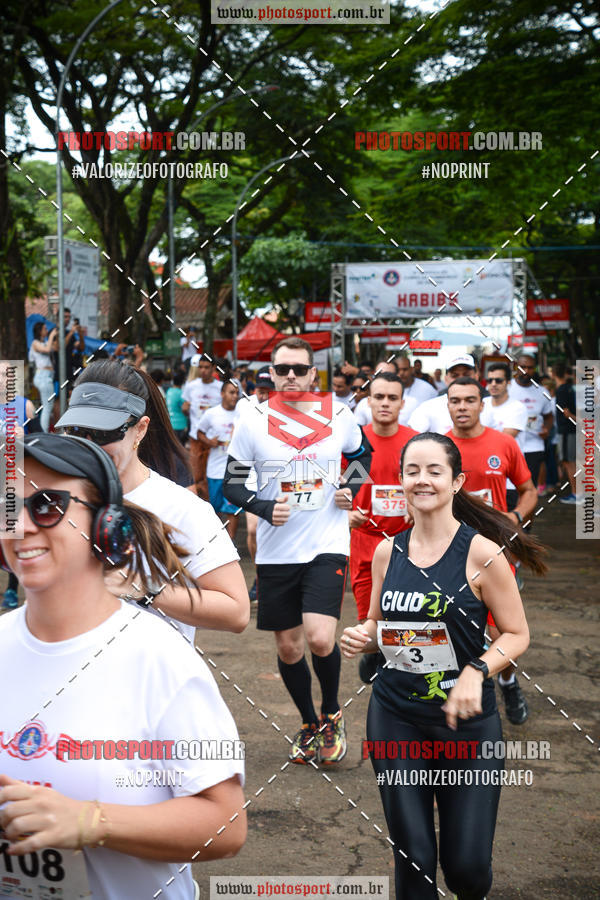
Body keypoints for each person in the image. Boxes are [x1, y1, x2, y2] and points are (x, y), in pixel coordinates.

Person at [0, 433, 246, 899]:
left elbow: (226, 825)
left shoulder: (161, 658)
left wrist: (92, 822)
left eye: (48, 506)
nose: (22, 526)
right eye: (9, 507)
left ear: (104, 525)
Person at [341, 431, 546, 900]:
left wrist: (476, 670)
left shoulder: (482, 554)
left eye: (435, 471)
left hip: (467, 726)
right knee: (414, 861)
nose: (422, 480)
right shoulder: (387, 552)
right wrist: (363, 637)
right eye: (412, 471)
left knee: (467, 870)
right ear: (401, 480)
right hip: (396, 717)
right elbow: (377, 623)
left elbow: (517, 634)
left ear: (457, 482)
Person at [223, 337, 373, 766]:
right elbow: (232, 484)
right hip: (276, 553)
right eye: (283, 369)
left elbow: (362, 453)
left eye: (300, 369)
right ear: (271, 373)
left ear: (312, 374)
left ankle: (332, 713)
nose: (291, 376)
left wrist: (350, 488)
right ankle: (310, 723)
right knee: (289, 649)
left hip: (327, 544)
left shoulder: (338, 414)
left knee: (321, 637)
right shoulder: (253, 419)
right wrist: (264, 507)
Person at [55, 360, 249, 642]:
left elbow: (237, 612)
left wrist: (143, 588)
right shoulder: (52, 498)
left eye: (104, 432)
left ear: (141, 429)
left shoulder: (183, 508)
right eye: (76, 431)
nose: (89, 445)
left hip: (153, 668)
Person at [446, 377, 538, 725]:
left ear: (482, 405)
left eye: (470, 400)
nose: (463, 407)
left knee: (503, 633)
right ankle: (451, 692)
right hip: (450, 555)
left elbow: (529, 491)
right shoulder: (439, 447)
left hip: (495, 554)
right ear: (448, 405)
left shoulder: (504, 443)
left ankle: (508, 682)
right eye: (456, 400)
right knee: (449, 629)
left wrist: (514, 517)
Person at [347, 374, 416, 678]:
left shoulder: (416, 443)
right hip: (365, 540)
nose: (385, 403)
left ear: (402, 403)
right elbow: (336, 487)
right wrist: (346, 513)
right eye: (379, 397)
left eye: (392, 398)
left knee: (406, 611)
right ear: (368, 401)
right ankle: (376, 654)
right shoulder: (353, 442)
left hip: (408, 541)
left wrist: (418, 507)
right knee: (369, 615)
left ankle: (398, 670)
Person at [0, 363, 40, 610]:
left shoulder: (25, 406)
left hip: (14, 478)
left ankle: (12, 590)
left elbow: (42, 441)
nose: (2, 379)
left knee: (13, 534)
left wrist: (27, 439)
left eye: (6, 374)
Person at [197, 382, 242, 540]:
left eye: (237, 393)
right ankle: (217, 543)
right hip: (215, 470)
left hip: (236, 469)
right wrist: (210, 442)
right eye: (231, 392)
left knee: (232, 510)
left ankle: (231, 545)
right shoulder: (211, 414)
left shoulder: (242, 414)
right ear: (222, 394)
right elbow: (199, 432)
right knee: (215, 510)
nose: (235, 396)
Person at [508, 355, 554, 486]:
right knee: (511, 486)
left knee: (530, 485)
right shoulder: (507, 389)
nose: (526, 371)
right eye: (523, 367)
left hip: (534, 445)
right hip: (511, 446)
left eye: (530, 368)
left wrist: (547, 429)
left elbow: (549, 416)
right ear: (516, 367)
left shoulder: (542, 392)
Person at [182, 355, 223, 499]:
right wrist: (185, 408)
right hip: (196, 437)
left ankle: (214, 503)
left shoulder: (220, 387)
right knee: (196, 474)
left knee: (214, 474)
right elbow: (185, 406)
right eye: (200, 367)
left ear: (213, 368)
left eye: (206, 367)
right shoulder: (191, 386)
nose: (203, 370)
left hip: (215, 439)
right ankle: (201, 503)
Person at [408, 355, 478, 434]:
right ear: (446, 379)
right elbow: (410, 437)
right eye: (455, 375)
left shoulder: (488, 406)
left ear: (476, 376)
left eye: (466, 375)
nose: (461, 379)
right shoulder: (428, 408)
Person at [354, 359, 419, 427]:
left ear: (402, 404)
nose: (384, 379)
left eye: (389, 375)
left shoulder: (413, 404)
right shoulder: (363, 404)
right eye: (379, 375)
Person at [554, 363, 578, 502]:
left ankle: (576, 494)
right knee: (571, 462)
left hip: (566, 431)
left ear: (554, 374)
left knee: (569, 462)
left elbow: (566, 413)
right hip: (571, 430)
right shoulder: (570, 388)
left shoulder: (562, 390)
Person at [29, 321, 57, 432]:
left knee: (48, 406)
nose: (47, 330)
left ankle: (44, 431)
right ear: (39, 331)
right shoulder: (35, 343)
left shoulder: (45, 342)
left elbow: (56, 348)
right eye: (45, 329)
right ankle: (44, 432)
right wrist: (51, 336)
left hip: (48, 376)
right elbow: (47, 350)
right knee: (47, 407)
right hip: (42, 376)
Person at [166, 370, 189, 446]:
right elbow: (185, 408)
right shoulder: (181, 393)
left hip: (170, 423)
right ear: (183, 382)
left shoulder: (169, 391)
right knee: (180, 448)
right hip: (180, 424)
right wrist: (188, 414)